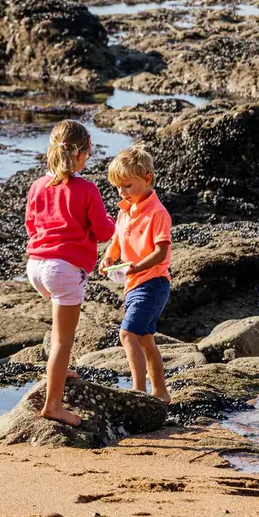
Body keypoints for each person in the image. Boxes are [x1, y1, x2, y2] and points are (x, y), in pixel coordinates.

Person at [25, 119, 116, 426]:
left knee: (58, 331)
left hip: (36, 266)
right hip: (62, 269)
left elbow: (31, 226)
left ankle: (59, 370)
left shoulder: (38, 186)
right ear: (83, 153)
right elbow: (103, 232)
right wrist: (114, 222)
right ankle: (53, 406)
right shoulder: (87, 189)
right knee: (63, 341)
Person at [100, 146, 172, 402]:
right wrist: (109, 257)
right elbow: (116, 243)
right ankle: (161, 393)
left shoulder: (157, 214)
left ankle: (138, 391)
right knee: (146, 341)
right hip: (134, 284)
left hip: (153, 283)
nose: (122, 192)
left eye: (127, 186)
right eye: (118, 187)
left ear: (147, 179)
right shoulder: (124, 211)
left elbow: (161, 253)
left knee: (127, 334)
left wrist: (136, 267)